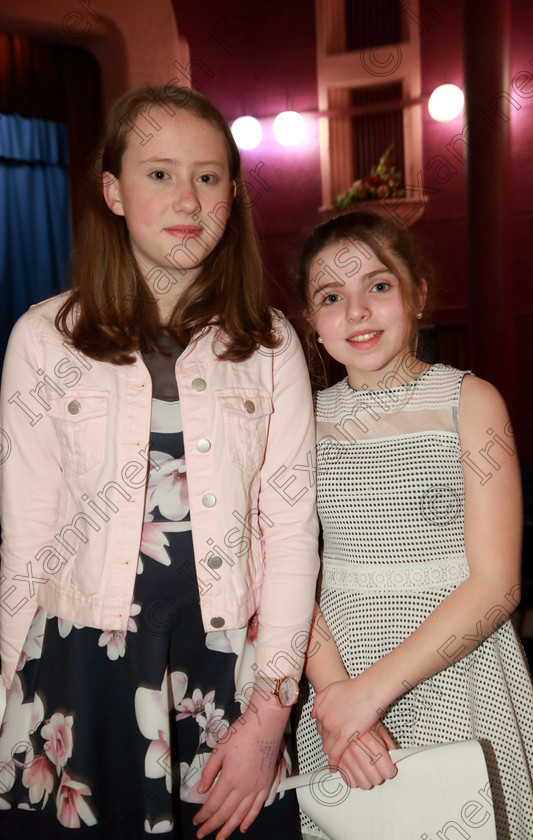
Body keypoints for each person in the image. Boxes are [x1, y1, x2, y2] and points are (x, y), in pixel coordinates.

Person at [0, 85, 319, 840]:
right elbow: (26, 543)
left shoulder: (271, 344)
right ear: (112, 190)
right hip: (82, 668)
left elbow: (292, 529)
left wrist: (270, 716)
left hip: (222, 669)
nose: (188, 198)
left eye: (208, 177)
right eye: (159, 173)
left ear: (233, 195)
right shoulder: (45, 339)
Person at [294, 211, 533, 840]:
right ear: (311, 321)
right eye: (332, 297)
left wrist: (370, 694)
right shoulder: (297, 420)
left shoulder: (470, 400)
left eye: (379, 286)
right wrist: (339, 699)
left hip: (457, 668)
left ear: (417, 294)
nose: (357, 311)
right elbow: (287, 572)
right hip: (337, 678)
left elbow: (497, 584)